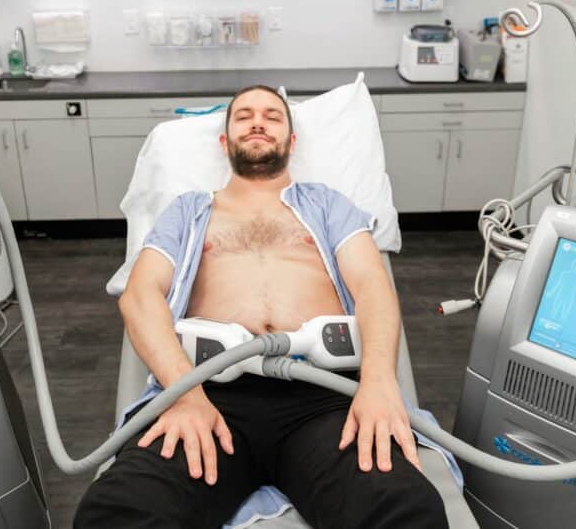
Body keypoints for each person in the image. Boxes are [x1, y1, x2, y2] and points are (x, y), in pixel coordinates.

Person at [75, 86, 448, 529]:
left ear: (291, 141)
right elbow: (140, 296)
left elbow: (373, 287)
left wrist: (380, 383)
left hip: (325, 398)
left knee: (406, 510)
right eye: (244, 116)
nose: (258, 122)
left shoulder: (328, 204)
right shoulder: (189, 211)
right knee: (114, 515)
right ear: (224, 141)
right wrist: (185, 395)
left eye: (273, 116)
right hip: (208, 393)